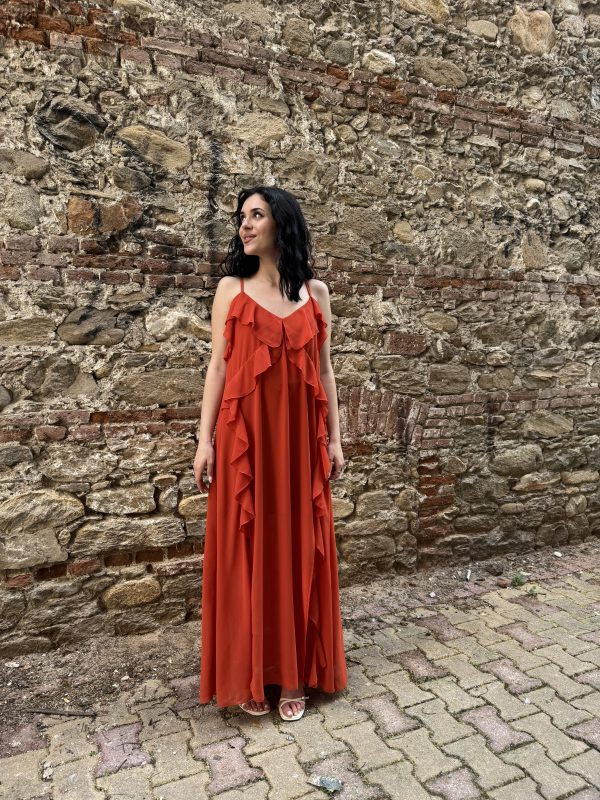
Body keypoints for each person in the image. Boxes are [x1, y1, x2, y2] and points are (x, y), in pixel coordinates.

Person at [195, 185, 348, 720]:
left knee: (298, 548)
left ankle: (296, 672)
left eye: (256, 215)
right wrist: (204, 440)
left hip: (300, 443)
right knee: (248, 552)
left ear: (282, 223)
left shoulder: (316, 293)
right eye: (241, 216)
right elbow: (217, 368)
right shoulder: (230, 290)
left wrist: (334, 438)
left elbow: (325, 372)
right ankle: (254, 672)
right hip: (246, 443)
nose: (244, 224)